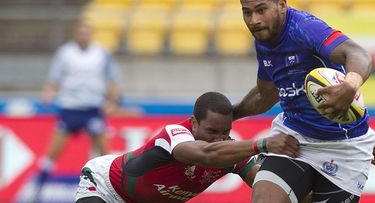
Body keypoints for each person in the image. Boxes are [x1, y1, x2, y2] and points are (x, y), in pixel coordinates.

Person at [233, 0, 375, 203]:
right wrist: (232, 114)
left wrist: (350, 85)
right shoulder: (263, 37)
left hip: (345, 146)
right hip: (295, 139)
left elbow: (358, 54)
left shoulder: (305, 28)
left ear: (281, 5)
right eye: (247, 12)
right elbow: (266, 93)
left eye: (261, 10)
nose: (254, 20)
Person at [75, 91, 300, 203]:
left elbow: (269, 185)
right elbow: (205, 155)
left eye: (226, 133)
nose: (219, 139)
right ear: (193, 123)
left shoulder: (230, 152)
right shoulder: (174, 134)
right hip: (106, 188)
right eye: (212, 131)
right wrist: (263, 144)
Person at [37, 21, 120, 185]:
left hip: (92, 108)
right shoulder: (65, 53)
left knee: (105, 153)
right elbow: (54, 77)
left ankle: (111, 186)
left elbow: (112, 79)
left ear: (91, 34)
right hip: (70, 107)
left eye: (86, 33)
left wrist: (111, 101)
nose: (83, 36)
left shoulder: (101, 53)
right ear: (76, 34)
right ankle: (38, 187)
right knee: (53, 151)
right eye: (81, 33)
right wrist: (48, 93)